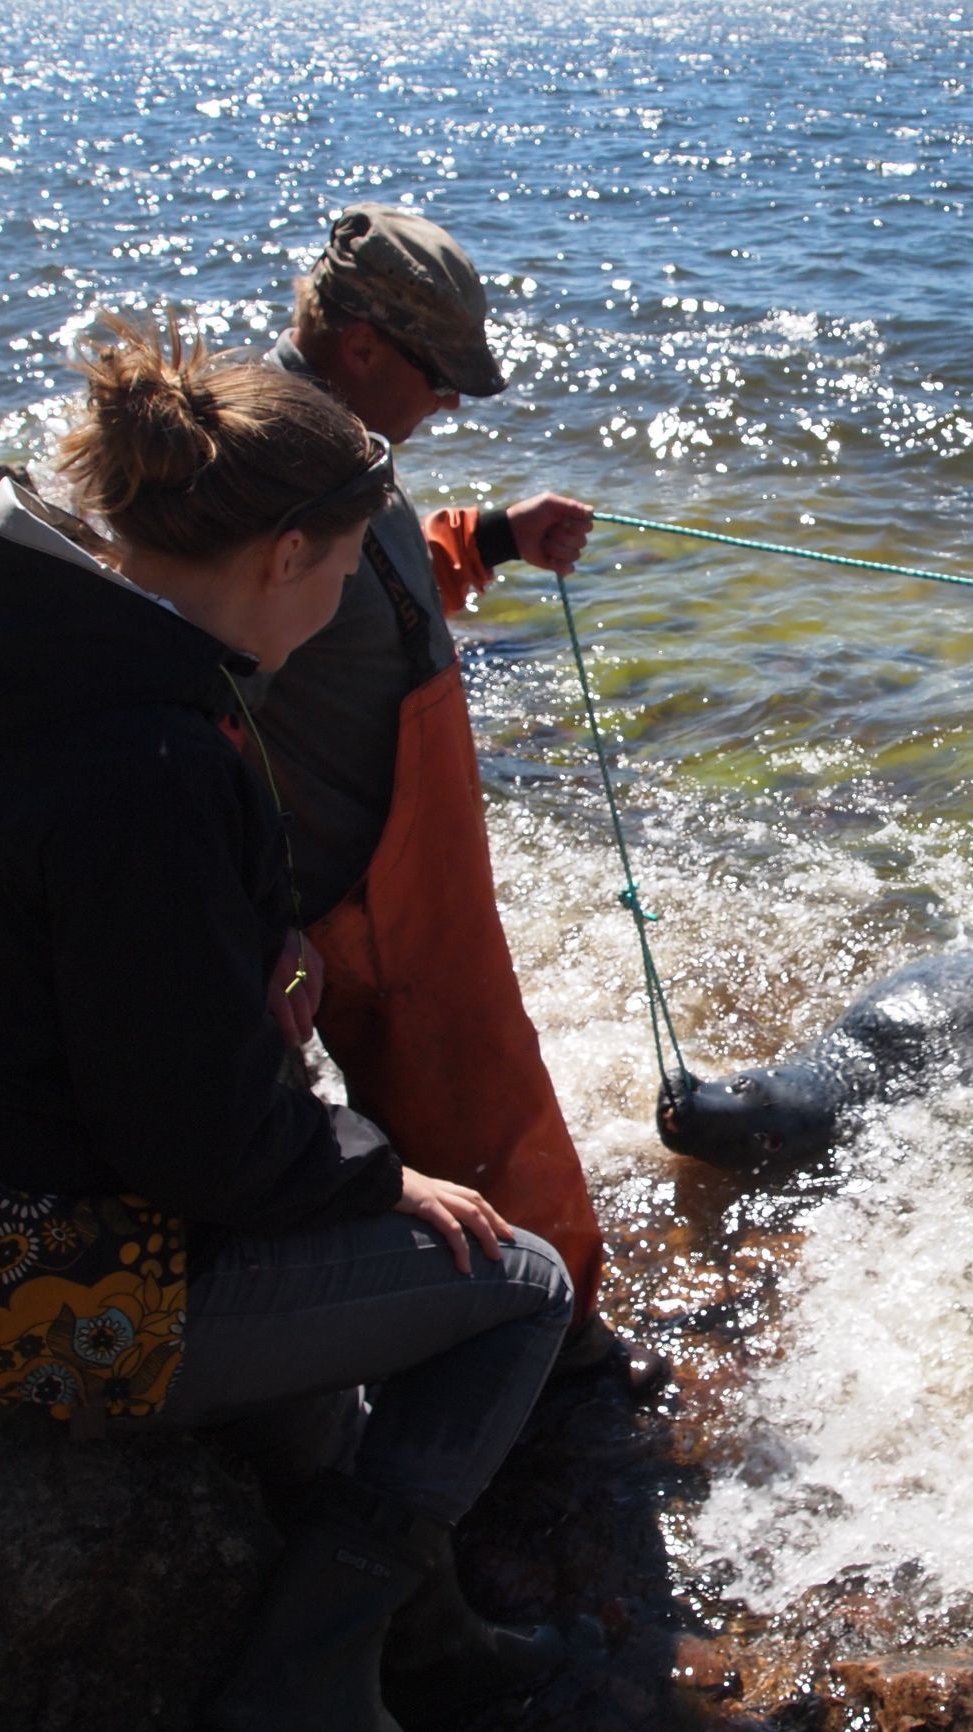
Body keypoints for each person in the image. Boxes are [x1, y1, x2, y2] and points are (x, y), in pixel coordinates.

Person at [0, 317, 576, 1731]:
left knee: (348, 1262)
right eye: (350, 569)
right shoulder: (151, 765)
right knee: (518, 1285)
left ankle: (416, 1643)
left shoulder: (33, 658)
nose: (343, 608)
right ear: (284, 558)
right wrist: (377, 1176)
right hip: (47, 1301)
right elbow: (198, 1141)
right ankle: (304, 1682)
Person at [254, 203, 660, 1393]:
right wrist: (254, 915)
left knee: (464, 1113)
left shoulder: (327, 445)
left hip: (402, 859)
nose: (453, 404)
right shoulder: (268, 469)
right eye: (441, 378)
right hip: (363, 890)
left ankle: (487, 1329)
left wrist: (488, 536)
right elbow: (203, 692)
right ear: (364, 344)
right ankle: (555, 1360)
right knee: (485, 1114)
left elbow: (359, 598)